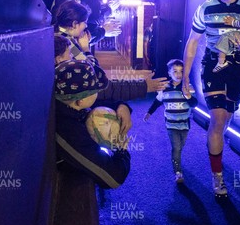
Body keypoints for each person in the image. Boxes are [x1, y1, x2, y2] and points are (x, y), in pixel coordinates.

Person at [183, 0, 240, 197]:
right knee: (217, 118)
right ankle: (218, 177)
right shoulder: (205, 8)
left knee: (227, 117)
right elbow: (193, 41)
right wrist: (184, 77)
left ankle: (217, 141)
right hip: (213, 66)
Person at [54, 59, 131, 189]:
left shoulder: (66, 104)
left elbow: (96, 104)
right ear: (81, 101)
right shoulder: (69, 132)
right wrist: (122, 152)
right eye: (95, 91)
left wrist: (122, 106)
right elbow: (114, 178)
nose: (98, 94)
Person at [143, 59, 198, 183]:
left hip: (185, 124)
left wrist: (188, 96)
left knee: (181, 145)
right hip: (171, 124)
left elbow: (194, 104)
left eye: (181, 71)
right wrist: (149, 112)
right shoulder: (164, 88)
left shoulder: (188, 87)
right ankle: (178, 172)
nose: (178, 74)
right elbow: (158, 101)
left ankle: (176, 159)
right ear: (169, 73)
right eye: (175, 71)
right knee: (176, 147)